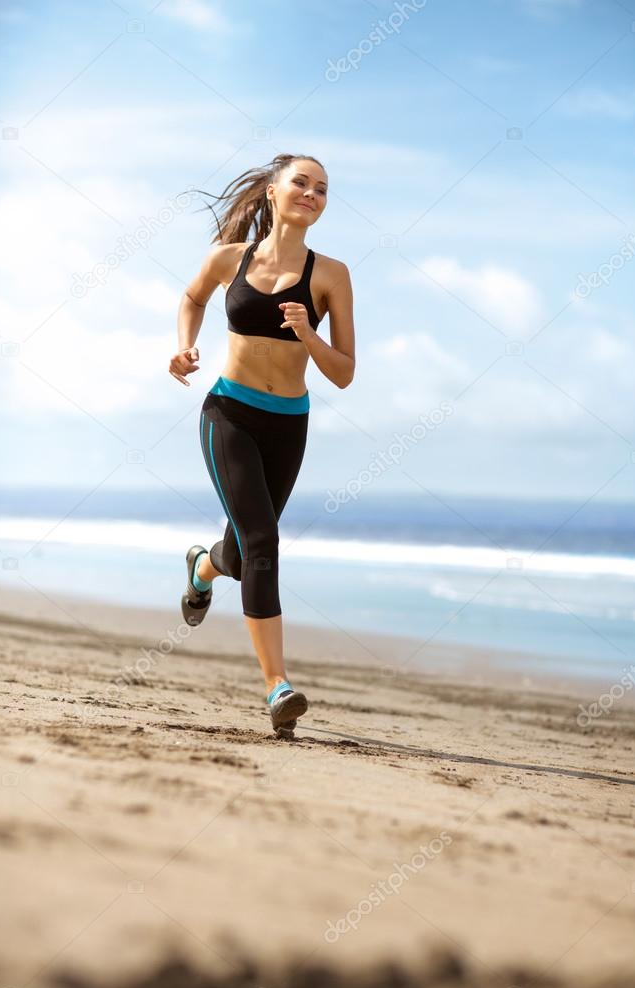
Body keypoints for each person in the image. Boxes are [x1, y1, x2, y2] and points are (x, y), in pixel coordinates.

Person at [170, 153, 355, 737]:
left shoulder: (332, 275)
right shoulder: (229, 259)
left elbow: (345, 372)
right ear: (273, 193)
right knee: (262, 538)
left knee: (244, 549)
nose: (311, 193)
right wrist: (184, 346)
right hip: (229, 413)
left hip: (288, 423)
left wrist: (306, 331)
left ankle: (203, 567)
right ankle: (278, 686)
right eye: (301, 182)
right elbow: (192, 298)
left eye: (322, 189)